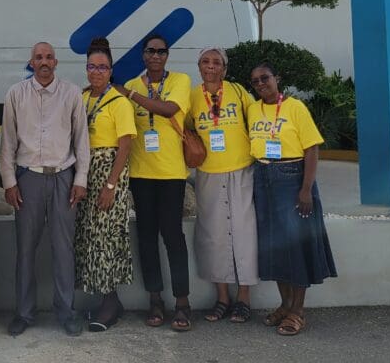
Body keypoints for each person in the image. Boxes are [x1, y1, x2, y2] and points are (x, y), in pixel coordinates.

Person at [0, 42, 90, 338]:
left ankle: (66, 312)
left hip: (64, 178)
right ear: (31, 62)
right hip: (28, 180)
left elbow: (81, 140)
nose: (44, 62)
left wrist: (80, 180)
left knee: (63, 249)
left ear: (56, 62)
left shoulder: (72, 93)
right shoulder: (16, 94)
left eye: (49, 57)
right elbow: (8, 143)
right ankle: (24, 313)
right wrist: (10, 181)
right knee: (25, 249)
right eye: (39, 57)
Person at [248, 61, 337, 337]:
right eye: (255, 81)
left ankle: (297, 311)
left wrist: (306, 188)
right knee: (274, 245)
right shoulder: (253, 109)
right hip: (262, 176)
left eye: (265, 78)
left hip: (291, 176)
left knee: (296, 247)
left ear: (277, 78)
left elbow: (311, 149)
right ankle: (285, 305)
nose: (261, 84)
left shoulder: (295, 107)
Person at [115, 33, 194, 331]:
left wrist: (131, 95)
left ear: (167, 56)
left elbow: (169, 110)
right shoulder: (132, 84)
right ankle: (155, 300)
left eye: (161, 51)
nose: (156, 55)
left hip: (172, 174)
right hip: (140, 174)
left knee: (173, 237)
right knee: (146, 238)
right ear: (143, 55)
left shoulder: (179, 81)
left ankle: (183, 303)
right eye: (151, 51)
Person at [189, 47, 258, 324]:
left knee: (244, 234)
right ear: (199, 67)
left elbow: (257, 117)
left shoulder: (239, 92)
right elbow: (184, 127)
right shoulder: (193, 96)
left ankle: (243, 298)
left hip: (241, 171)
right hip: (208, 173)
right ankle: (222, 298)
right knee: (213, 235)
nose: (211, 66)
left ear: (224, 68)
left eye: (217, 62)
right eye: (206, 61)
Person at [74, 37, 136, 333]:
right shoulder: (83, 97)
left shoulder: (119, 102)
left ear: (111, 71)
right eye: (92, 66)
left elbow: (125, 146)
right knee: (91, 237)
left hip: (109, 173)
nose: (97, 71)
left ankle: (111, 302)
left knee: (108, 237)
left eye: (103, 67)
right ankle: (105, 299)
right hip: (87, 171)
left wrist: (110, 186)